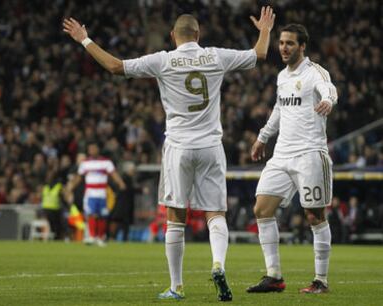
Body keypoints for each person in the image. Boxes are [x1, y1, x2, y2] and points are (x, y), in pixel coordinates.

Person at [63, 7, 275, 301]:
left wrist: (84, 39)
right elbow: (259, 54)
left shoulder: (163, 60)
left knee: (175, 217)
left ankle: (177, 287)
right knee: (216, 213)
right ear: (198, 35)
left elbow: (115, 66)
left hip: (178, 147)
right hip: (211, 146)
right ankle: (218, 264)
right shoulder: (215, 56)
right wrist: (264, 30)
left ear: (173, 36)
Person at [247, 24, 338, 294]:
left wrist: (329, 101)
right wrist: (263, 136)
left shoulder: (314, 72)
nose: (284, 47)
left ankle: (321, 280)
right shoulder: (281, 77)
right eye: (282, 42)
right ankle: (274, 276)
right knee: (261, 209)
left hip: (310, 153)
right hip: (281, 155)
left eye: (289, 43)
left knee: (314, 215)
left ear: (302, 47)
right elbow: (278, 108)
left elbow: (329, 88)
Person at [76, 143, 126, 246]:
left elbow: (114, 174)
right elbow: (79, 177)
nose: (92, 150)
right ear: (88, 151)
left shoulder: (106, 162)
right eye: (90, 149)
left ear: (98, 149)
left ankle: (100, 237)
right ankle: (92, 236)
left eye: (94, 148)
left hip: (102, 193)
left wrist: (120, 183)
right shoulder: (85, 163)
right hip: (90, 193)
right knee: (91, 214)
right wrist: (70, 186)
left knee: (102, 215)